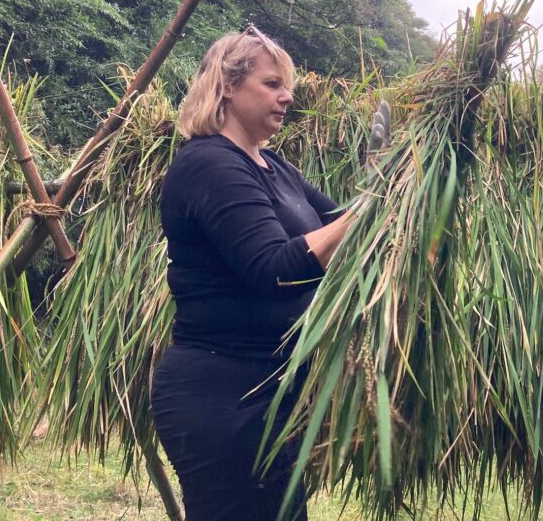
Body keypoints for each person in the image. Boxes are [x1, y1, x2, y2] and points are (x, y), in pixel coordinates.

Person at [150, 26, 379, 521]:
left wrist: (391, 192)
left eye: (287, 86)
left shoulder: (275, 167)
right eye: (273, 83)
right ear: (228, 86)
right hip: (221, 395)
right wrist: (372, 208)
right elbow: (273, 269)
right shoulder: (208, 164)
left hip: (274, 390)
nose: (287, 95)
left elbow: (341, 229)